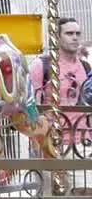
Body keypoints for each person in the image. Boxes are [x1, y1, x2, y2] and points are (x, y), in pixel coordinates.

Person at [29, 17, 91, 153]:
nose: (75, 38)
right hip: (51, 143)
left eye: (77, 34)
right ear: (57, 38)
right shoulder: (41, 65)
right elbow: (32, 109)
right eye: (69, 34)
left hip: (82, 144)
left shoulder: (86, 67)